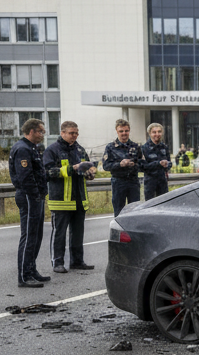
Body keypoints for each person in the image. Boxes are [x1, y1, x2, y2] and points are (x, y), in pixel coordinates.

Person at [43, 120, 96, 273]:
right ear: (63, 133)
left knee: (78, 233)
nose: (75, 136)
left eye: (76, 133)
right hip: (61, 200)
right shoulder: (52, 150)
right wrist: (72, 168)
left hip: (79, 198)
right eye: (72, 133)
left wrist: (90, 173)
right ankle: (57, 262)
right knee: (59, 233)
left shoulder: (79, 149)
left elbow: (88, 167)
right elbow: (47, 173)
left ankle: (77, 261)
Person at [10, 118, 49, 288]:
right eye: (41, 131)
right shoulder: (22, 149)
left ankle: (32, 269)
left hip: (36, 196)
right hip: (29, 196)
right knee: (29, 236)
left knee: (37, 235)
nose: (43, 134)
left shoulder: (32, 148)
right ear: (31, 131)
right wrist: (35, 195)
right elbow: (25, 177)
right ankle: (24, 276)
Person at [102, 118, 144, 217]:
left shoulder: (136, 146)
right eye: (121, 131)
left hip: (133, 182)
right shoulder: (111, 147)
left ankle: (132, 232)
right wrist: (120, 164)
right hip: (118, 182)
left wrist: (134, 165)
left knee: (134, 211)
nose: (124, 133)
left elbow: (143, 164)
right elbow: (106, 166)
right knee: (119, 212)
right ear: (117, 131)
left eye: (126, 131)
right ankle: (118, 232)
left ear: (129, 131)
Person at [141, 122, 172, 200]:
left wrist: (167, 164)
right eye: (154, 132)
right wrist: (158, 164)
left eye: (159, 132)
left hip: (162, 181)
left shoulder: (164, 147)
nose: (157, 134)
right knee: (150, 205)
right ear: (150, 133)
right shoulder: (144, 148)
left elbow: (170, 162)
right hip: (150, 181)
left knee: (164, 204)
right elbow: (142, 166)